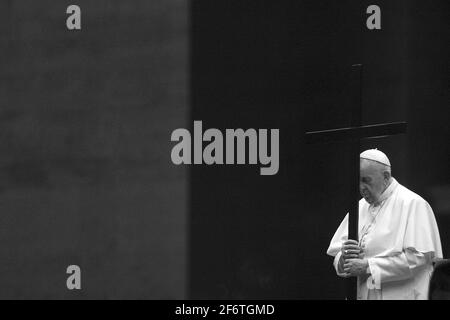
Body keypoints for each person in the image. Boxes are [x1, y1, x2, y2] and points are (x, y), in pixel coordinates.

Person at [327, 149, 443, 300]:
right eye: (358, 181)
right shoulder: (360, 207)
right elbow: (338, 254)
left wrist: (368, 266)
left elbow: (417, 258)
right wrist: (344, 258)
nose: (361, 187)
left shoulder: (412, 204)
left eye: (366, 180)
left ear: (386, 177)